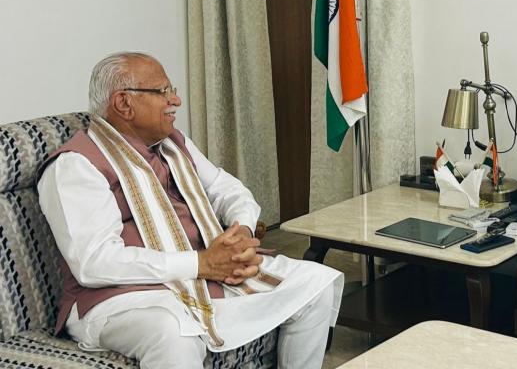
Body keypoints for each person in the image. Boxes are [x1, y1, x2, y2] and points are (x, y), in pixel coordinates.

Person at [37, 52, 344, 369]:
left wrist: (240, 234)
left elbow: (228, 189)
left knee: (315, 282)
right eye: (163, 91)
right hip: (120, 298)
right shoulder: (76, 166)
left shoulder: (173, 143)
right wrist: (201, 263)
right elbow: (95, 262)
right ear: (124, 103)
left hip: (200, 276)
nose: (176, 100)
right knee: (173, 334)